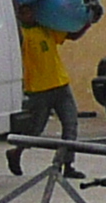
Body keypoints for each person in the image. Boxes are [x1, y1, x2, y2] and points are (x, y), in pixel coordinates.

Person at [9, 18, 78, 177]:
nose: (29, 13)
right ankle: (16, 152)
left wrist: (87, 21)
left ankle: (67, 165)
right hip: (38, 90)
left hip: (60, 84)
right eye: (25, 10)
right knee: (35, 130)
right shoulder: (20, 34)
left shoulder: (46, 27)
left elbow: (71, 35)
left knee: (70, 125)